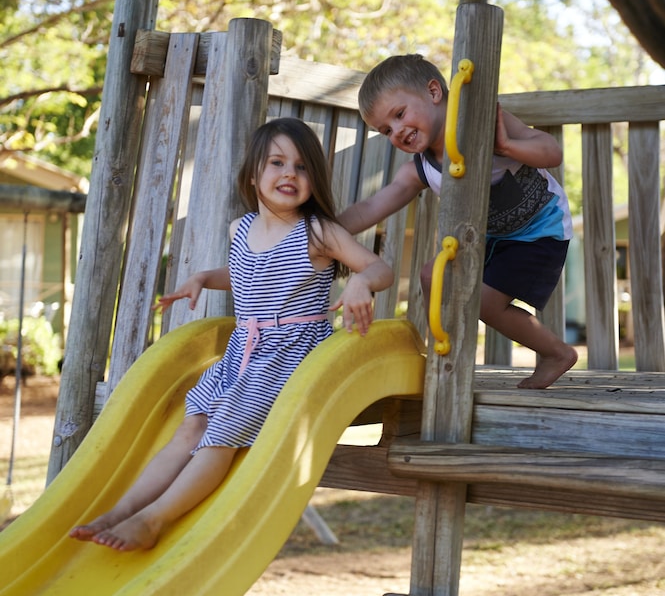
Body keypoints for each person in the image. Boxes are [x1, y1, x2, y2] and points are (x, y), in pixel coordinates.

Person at [70, 117, 393, 552]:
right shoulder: (239, 230)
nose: (289, 174)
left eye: (301, 167)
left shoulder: (318, 231)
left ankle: (153, 520)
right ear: (254, 174)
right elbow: (251, 274)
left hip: (288, 354)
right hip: (244, 351)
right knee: (190, 427)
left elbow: (380, 268)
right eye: (277, 162)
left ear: (314, 179)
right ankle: (120, 510)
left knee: (219, 436)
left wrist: (359, 282)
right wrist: (205, 276)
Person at [337, 53, 577, 389]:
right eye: (386, 130)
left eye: (400, 114)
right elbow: (371, 206)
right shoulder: (419, 169)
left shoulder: (482, 125)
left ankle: (556, 353)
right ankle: (442, 354)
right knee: (430, 275)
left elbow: (551, 150)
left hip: (539, 229)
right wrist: (324, 230)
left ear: (434, 92)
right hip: (487, 236)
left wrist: (509, 146)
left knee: (485, 303)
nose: (397, 132)